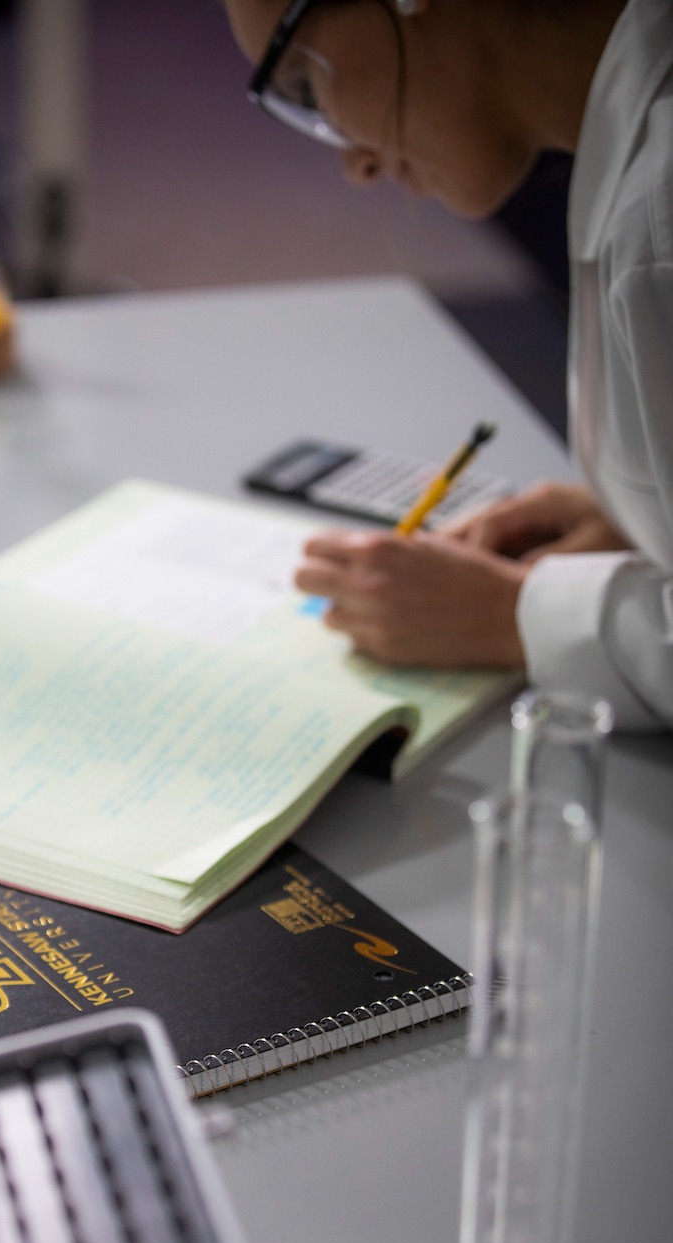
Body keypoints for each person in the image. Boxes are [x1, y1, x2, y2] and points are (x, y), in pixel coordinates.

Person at [224, 0, 673, 730]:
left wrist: (511, 618)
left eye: (307, 85)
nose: (356, 164)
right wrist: (640, 518)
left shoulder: (662, 224)